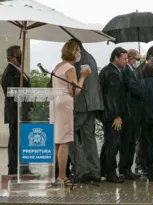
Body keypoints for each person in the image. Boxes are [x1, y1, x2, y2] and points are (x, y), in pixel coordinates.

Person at [50, 41, 91, 185]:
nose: (80, 53)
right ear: (72, 52)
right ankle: (62, 176)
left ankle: (53, 174)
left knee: (56, 140)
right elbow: (74, 91)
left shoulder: (57, 67)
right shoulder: (70, 68)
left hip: (55, 102)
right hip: (65, 104)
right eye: (78, 50)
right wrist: (83, 76)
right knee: (64, 141)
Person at [66, 38, 102, 182]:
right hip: (92, 104)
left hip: (81, 104)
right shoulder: (90, 57)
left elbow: (74, 83)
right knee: (89, 138)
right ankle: (95, 171)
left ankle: (81, 169)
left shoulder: (79, 61)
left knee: (68, 134)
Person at [1, 45, 33, 175]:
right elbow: (11, 93)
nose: (20, 57)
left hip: (24, 110)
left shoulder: (20, 71)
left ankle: (24, 167)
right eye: (18, 54)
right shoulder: (9, 72)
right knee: (15, 141)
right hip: (15, 112)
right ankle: (13, 169)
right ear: (10, 57)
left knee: (24, 140)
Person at [99, 47, 128, 183]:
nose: (126, 62)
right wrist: (116, 116)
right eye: (124, 59)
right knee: (113, 143)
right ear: (116, 58)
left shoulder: (108, 70)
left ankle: (103, 169)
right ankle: (111, 172)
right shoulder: (113, 73)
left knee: (108, 142)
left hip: (106, 113)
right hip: (112, 115)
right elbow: (112, 97)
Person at [119, 49, 142, 179]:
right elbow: (134, 89)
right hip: (129, 112)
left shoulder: (132, 71)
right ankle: (125, 169)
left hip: (133, 112)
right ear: (131, 58)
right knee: (128, 141)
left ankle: (127, 167)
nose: (138, 62)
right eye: (138, 59)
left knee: (131, 141)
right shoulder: (127, 71)